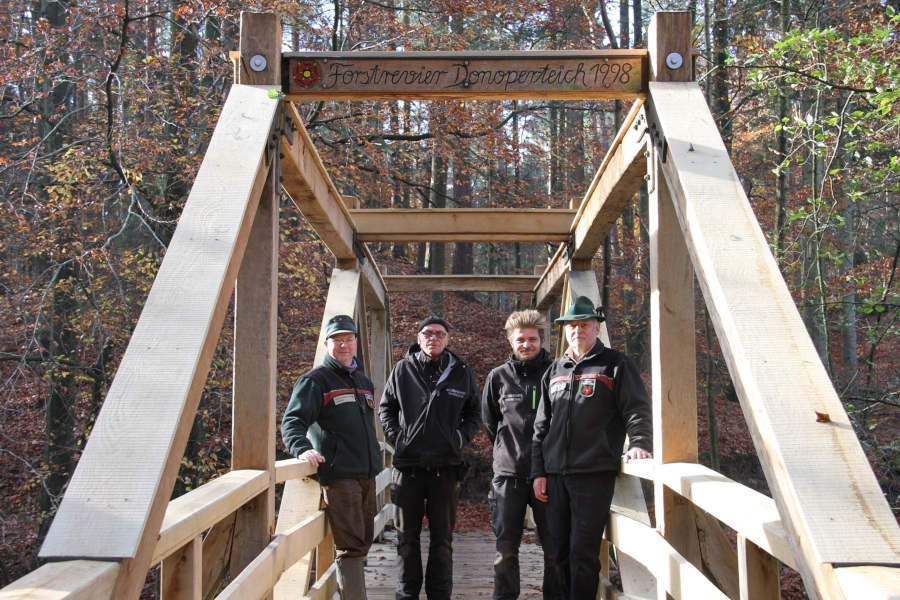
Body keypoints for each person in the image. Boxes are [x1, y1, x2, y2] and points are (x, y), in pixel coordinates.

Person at [531, 296, 652, 600]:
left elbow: (636, 409)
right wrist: (538, 472)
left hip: (593, 474)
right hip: (555, 475)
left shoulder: (615, 364)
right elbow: (540, 427)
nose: (577, 331)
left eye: (584, 325)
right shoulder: (554, 370)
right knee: (554, 553)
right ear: (565, 330)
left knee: (582, 554)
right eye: (572, 326)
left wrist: (639, 443)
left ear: (596, 327)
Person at [378, 316, 481, 600]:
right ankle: (406, 594)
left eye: (439, 333)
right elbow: (385, 408)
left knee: (442, 540)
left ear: (448, 339)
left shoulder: (460, 372)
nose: (433, 338)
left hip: (445, 469)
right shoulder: (403, 370)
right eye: (427, 333)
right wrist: (398, 438)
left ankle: (439, 595)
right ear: (418, 337)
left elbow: (474, 413)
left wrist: (459, 438)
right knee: (405, 539)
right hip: (407, 469)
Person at [281, 314, 381, 600]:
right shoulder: (315, 381)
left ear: (356, 343)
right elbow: (293, 421)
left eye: (348, 339)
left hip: (367, 473)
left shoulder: (363, 382)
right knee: (350, 546)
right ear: (326, 344)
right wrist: (302, 448)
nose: (343, 345)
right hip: (339, 476)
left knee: (362, 541)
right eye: (337, 341)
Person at [482, 310, 561, 600]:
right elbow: (490, 422)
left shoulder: (557, 373)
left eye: (532, 339)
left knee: (554, 550)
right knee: (505, 552)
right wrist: (508, 449)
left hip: (549, 476)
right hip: (508, 476)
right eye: (520, 340)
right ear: (510, 342)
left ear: (542, 340)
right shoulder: (498, 377)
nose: (526, 345)